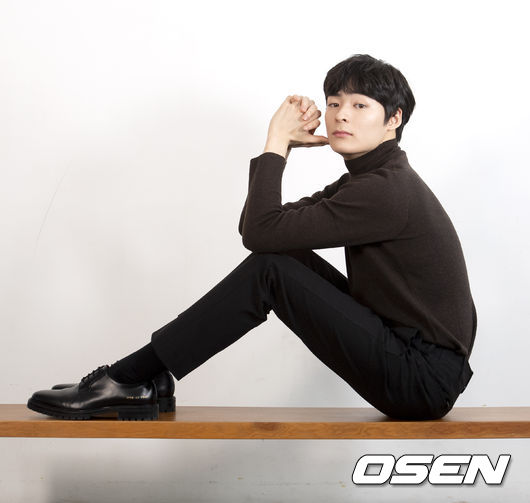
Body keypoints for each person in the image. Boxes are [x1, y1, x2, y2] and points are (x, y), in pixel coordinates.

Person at [27, 53, 477, 421]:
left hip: (421, 378)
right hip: (413, 359)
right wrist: (279, 151)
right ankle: (146, 377)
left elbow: (261, 235)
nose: (341, 114)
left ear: (393, 119)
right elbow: (261, 229)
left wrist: (276, 143)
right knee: (282, 258)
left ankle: (130, 378)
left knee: (272, 268)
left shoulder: (384, 191)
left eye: (360, 106)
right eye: (335, 102)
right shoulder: (371, 180)